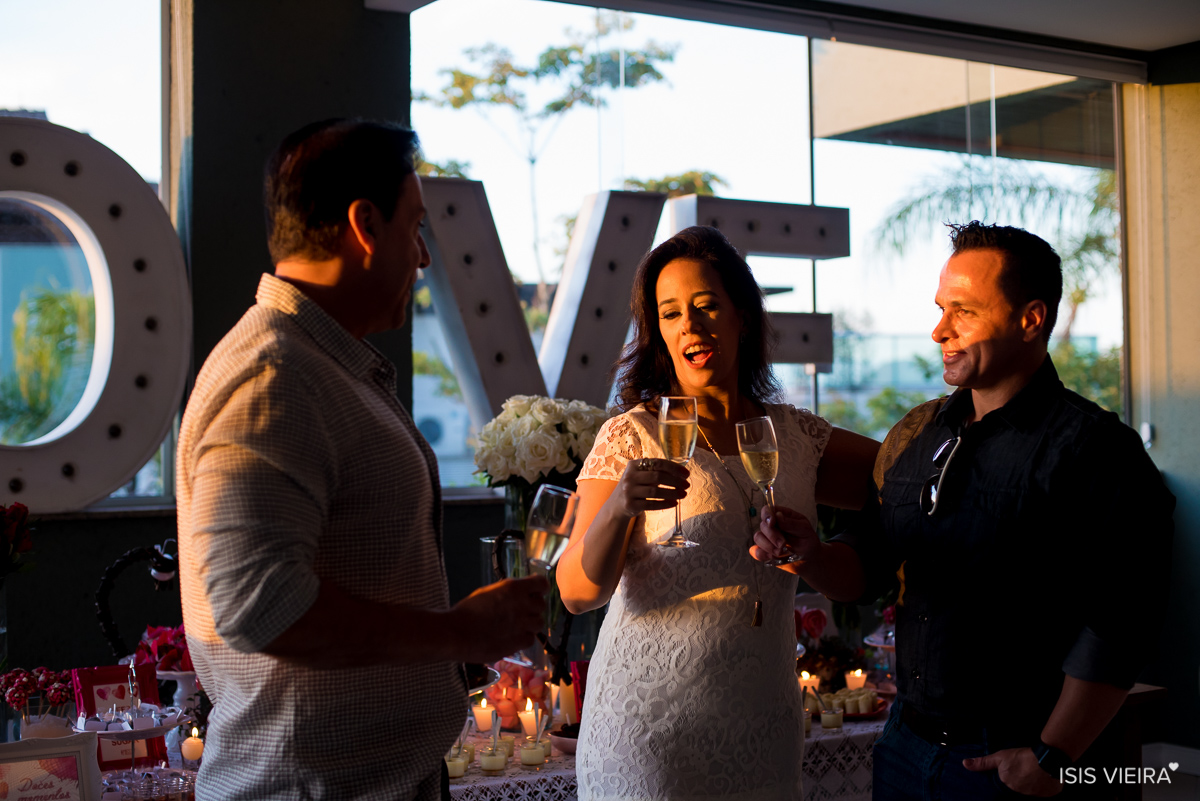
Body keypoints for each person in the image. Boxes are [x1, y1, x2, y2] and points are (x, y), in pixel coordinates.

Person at [176, 119, 547, 801]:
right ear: (365, 224)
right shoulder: (273, 377)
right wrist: (457, 631)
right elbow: (263, 606)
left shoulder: (319, 367)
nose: (423, 257)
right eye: (416, 229)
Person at [752, 222, 1176, 800]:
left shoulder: (1096, 450)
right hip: (906, 747)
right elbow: (866, 564)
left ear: (1032, 319)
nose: (939, 330)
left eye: (964, 312)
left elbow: (1120, 625)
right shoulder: (916, 434)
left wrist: (1052, 756)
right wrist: (811, 555)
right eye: (940, 308)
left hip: (1017, 762)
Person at [556, 226, 880, 800]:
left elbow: (900, 483)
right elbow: (577, 593)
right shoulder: (631, 435)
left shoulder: (798, 436)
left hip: (765, 729)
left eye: (706, 306)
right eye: (671, 313)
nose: (690, 326)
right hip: (649, 738)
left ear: (743, 317)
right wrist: (617, 510)